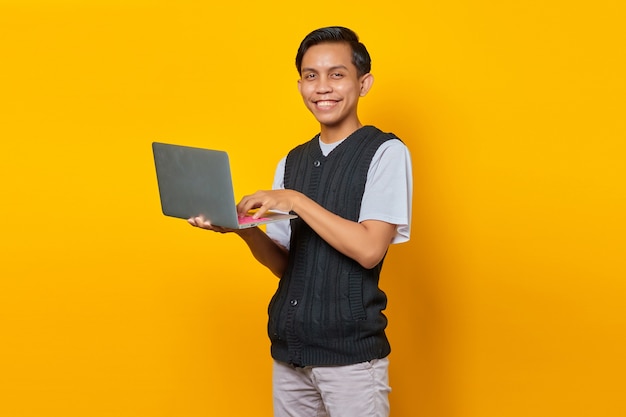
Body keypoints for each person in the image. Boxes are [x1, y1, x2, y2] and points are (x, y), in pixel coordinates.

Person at [188, 26, 412, 417]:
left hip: (351, 360)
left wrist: (294, 199)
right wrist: (243, 229)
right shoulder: (292, 161)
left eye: (336, 74)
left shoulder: (386, 152)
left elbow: (369, 249)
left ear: (364, 83)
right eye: (311, 76)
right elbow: (287, 266)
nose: (322, 87)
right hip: (290, 353)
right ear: (300, 86)